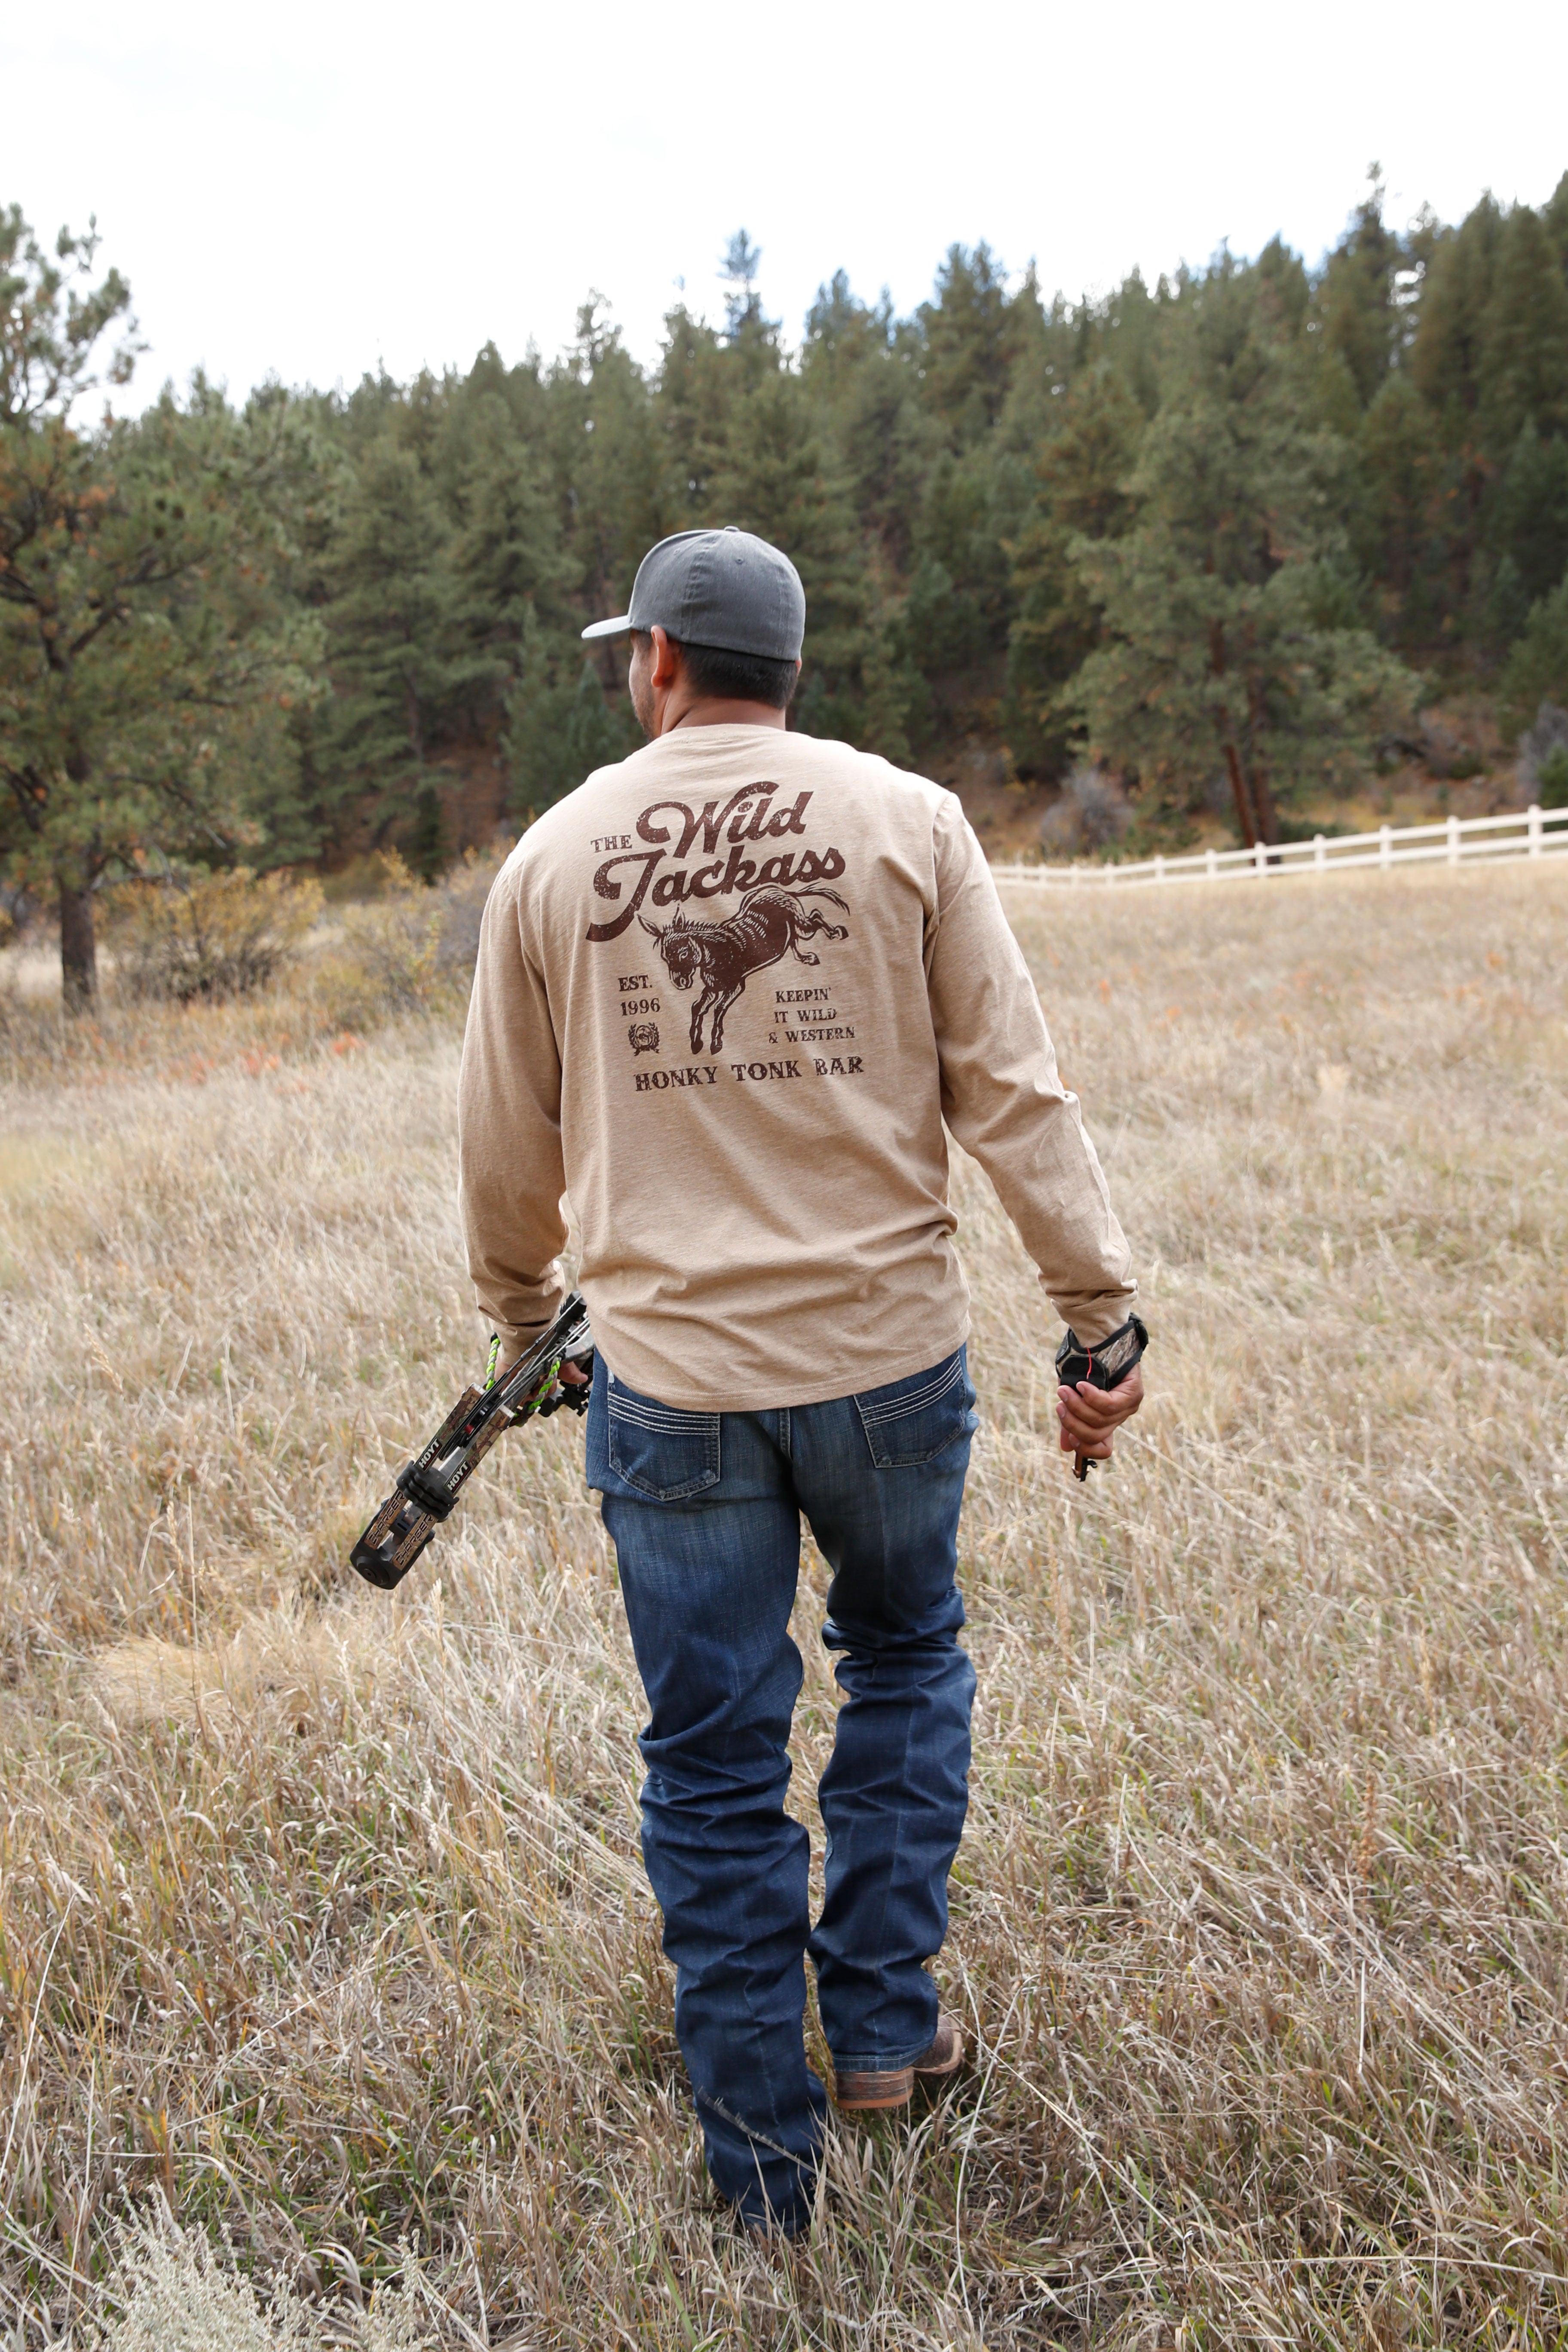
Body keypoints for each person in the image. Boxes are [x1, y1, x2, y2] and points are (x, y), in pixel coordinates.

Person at [456, 526, 1144, 2237]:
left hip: (671, 1384)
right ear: (793, 670)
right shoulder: (911, 821)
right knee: (905, 1656)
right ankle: (886, 2038)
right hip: (887, 1363)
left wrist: (521, 1314)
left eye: (637, 648)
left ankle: (764, 2173)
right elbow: (1014, 1087)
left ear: (664, 662)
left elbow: (501, 1144)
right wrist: (1098, 1315)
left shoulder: (553, 858)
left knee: (710, 1761)